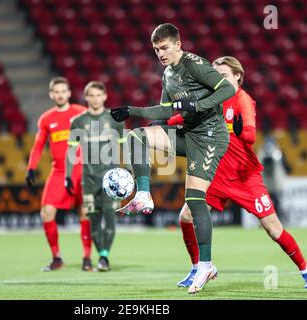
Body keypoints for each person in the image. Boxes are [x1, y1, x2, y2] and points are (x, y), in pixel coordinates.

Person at [165, 56, 307, 290]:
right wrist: (171, 120)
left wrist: (239, 129)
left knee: (273, 228)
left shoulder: (242, 99)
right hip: (215, 175)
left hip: (243, 177)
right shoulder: (210, 98)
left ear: (238, 76)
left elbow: (250, 136)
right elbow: (177, 117)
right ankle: (198, 268)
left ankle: (306, 271)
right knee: (186, 216)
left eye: (224, 75)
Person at [110, 23, 235, 292]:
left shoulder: (194, 65)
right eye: (156, 49)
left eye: (165, 48)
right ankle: (143, 193)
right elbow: (165, 109)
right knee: (136, 137)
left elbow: (227, 90)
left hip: (210, 137)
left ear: (178, 44)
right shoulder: (168, 74)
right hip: (187, 133)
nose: (160, 53)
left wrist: (196, 105)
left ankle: (206, 265)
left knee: (194, 200)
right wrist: (131, 110)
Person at [25, 77, 92, 271]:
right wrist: (31, 168)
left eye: (64, 91)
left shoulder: (81, 113)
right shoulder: (46, 118)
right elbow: (38, 147)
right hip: (59, 171)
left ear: (69, 93)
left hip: (82, 169)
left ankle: (87, 258)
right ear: (51, 94)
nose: (60, 95)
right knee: (46, 212)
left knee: (85, 212)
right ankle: (57, 258)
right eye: (57, 92)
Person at [65, 81, 126, 271]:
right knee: (93, 220)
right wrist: (67, 176)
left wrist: (129, 170)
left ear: (105, 96)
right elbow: (70, 151)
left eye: (98, 95)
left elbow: (124, 146)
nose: (95, 99)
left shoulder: (115, 119)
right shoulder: (78, 121)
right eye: (91, 95)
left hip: (112, 179)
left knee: (110, 217)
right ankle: (101, 255)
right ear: (86, 97)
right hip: (89, 179)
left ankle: (104, 256)